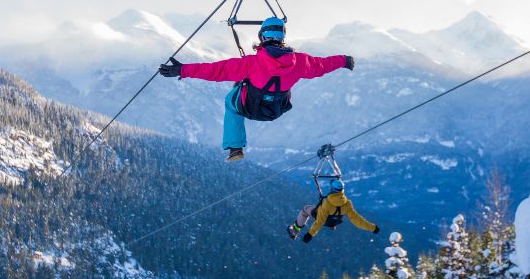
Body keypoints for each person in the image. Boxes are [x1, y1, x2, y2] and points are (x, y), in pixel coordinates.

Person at [159, 17, 353, 162]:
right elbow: (322, 65)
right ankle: (235, 145)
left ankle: (235, 148)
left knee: (230, 101)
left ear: (262, 37)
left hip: (249, 107)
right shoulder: (300, 62)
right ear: (282, 38)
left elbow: (215, 71)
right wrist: (344, 60)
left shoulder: (251, 64)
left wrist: (182, 69)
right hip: (275, 110)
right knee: (255, 89)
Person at [288, 179, 380, 243]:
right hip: (334, 222)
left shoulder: (327, 203)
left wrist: (310, 234)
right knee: (330, 216)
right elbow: (357, 220)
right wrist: (372, 228)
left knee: (305, 209)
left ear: (332, 189)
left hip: (323, 218)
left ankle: (295, 231)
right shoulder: (347, 204)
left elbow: (319, 221)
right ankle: (331, 226)